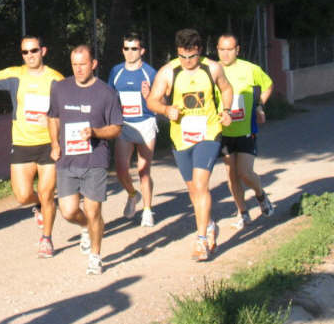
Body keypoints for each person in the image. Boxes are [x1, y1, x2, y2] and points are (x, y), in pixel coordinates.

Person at [0, 36, 63, 258]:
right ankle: (42, 206)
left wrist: (52, 122)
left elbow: (68, 110)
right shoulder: (15, 74)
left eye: (34, 51)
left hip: (48, 144)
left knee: (46, 192)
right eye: (25, 52)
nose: (30, 55)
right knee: (23, 196)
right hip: (22, 143)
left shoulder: (56, 79)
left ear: (43, 51)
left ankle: (46, 239)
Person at [146, 29, 233, 261]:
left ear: (200, 51)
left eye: (192, 56)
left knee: (202, 184)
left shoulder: (212, 68)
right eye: (183, 56)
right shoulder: (168, 71)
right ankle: (210, 224)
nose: (187, 62)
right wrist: (166, 109)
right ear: (177, 52)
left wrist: (226, 111)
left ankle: (201, 240)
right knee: (193, 189)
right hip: (181, 137)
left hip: (209, 132)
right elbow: (152, 100)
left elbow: (226, 89)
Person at [48, 45, 123, 275]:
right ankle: (85, 228)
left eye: (83, 64)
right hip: (67, 159)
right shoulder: (60, 88)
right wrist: (54, 144)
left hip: (95, 159)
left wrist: (96, 133)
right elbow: (53, 117)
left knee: (93, 211)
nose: (78, 69)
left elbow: (116, 128)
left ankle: (95, 256)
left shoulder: (106, 92)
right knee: (68, 211)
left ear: (93, 64)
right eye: (74, 64)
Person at [216, 34, 275, 229]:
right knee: (231, 175)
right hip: (223, 132)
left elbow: (267, 85)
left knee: (245, 173)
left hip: (246, 130)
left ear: (237, 50)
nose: (225, 54)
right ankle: (243, 213)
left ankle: (260, 195)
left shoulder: (250, 69)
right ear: (217, 49)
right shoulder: (212, 70)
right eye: (222, 49)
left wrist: (259, 105)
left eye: (230, 49)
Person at [108, 32, 158, 226]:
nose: (129, 52)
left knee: (144, 170)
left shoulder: (150, 73)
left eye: (134, 48)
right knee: (121, 169)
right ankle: (132, 194)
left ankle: (147, 210)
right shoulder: (116, 71)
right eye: (126, 48)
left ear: (142, 50)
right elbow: (110, 97)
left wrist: (148, 97)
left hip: (145, 122)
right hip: (125, 125)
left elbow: (160, 102)